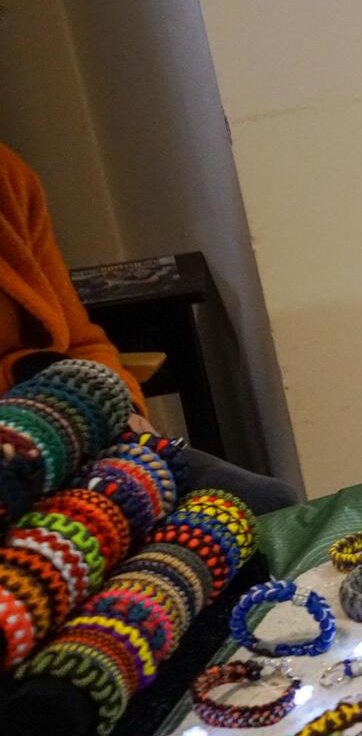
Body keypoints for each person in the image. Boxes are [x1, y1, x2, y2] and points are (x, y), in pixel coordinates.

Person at [0, 143, 298, 516]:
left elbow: (83, 342)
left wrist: (118, 404)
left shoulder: (10, 177)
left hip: (64, 423)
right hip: (27, 441)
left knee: (268, 504)